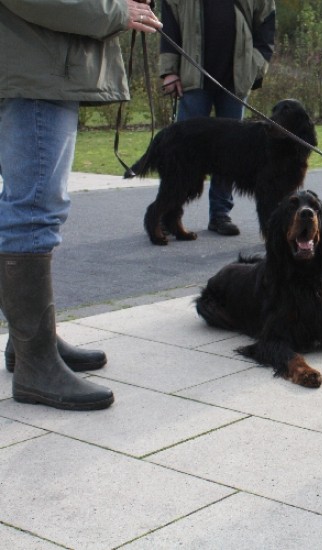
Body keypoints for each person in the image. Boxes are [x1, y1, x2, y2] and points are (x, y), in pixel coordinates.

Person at [0, 0, 162, 410]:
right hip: (35, 67)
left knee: (28, 206)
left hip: (35, 62)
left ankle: (29, 343)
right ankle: (36, 366)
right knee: (33, 210)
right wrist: (114, 11)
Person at [159, 0, 276, 236]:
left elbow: (266, 24)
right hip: (193, 78)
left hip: (236, 80)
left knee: (230, 156)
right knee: (182, 154)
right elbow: (168, 25)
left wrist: (255, 66)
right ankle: (168, 214)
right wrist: (169, 71)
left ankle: (220, 214)